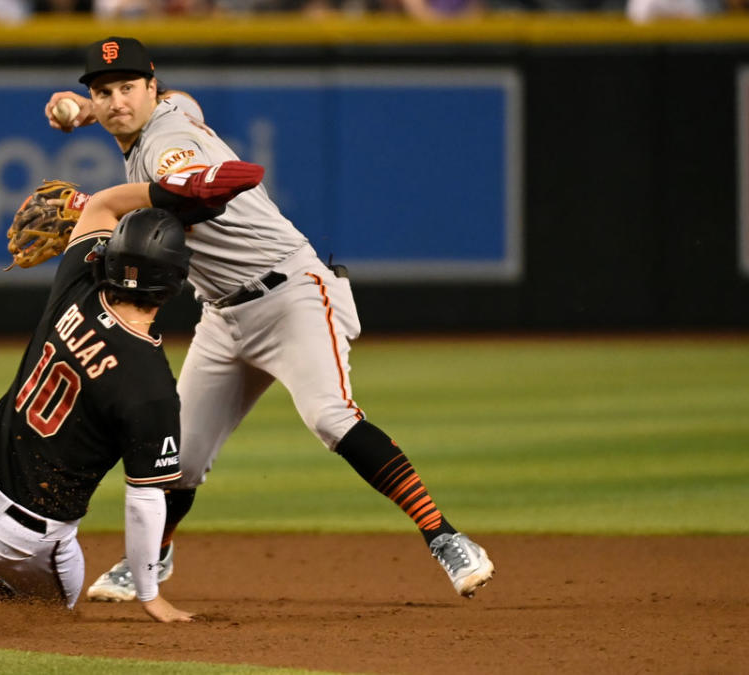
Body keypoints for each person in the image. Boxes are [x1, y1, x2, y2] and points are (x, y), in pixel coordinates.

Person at [44, 36, 496, 604]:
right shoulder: (172, 109)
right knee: (177, 457)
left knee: (331, 417)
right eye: (104, 91)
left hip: (290, 295)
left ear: (150, 87)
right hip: (223, 315)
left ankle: (446, 537)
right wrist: (85, 112)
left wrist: (97, 206)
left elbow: (191, 199)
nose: (116, 101)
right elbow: (183, 101)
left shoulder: (168, 144)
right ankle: (154, 557)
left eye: (127, 88)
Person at [0, 166, 263, 623]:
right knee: (54, 606)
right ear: (175, 283)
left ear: (110, 256)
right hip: (18, 536)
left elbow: (102, 204)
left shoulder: (77, 283)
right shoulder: (152, 387)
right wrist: (150, 597)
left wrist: (165, 193)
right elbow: (146, 501)